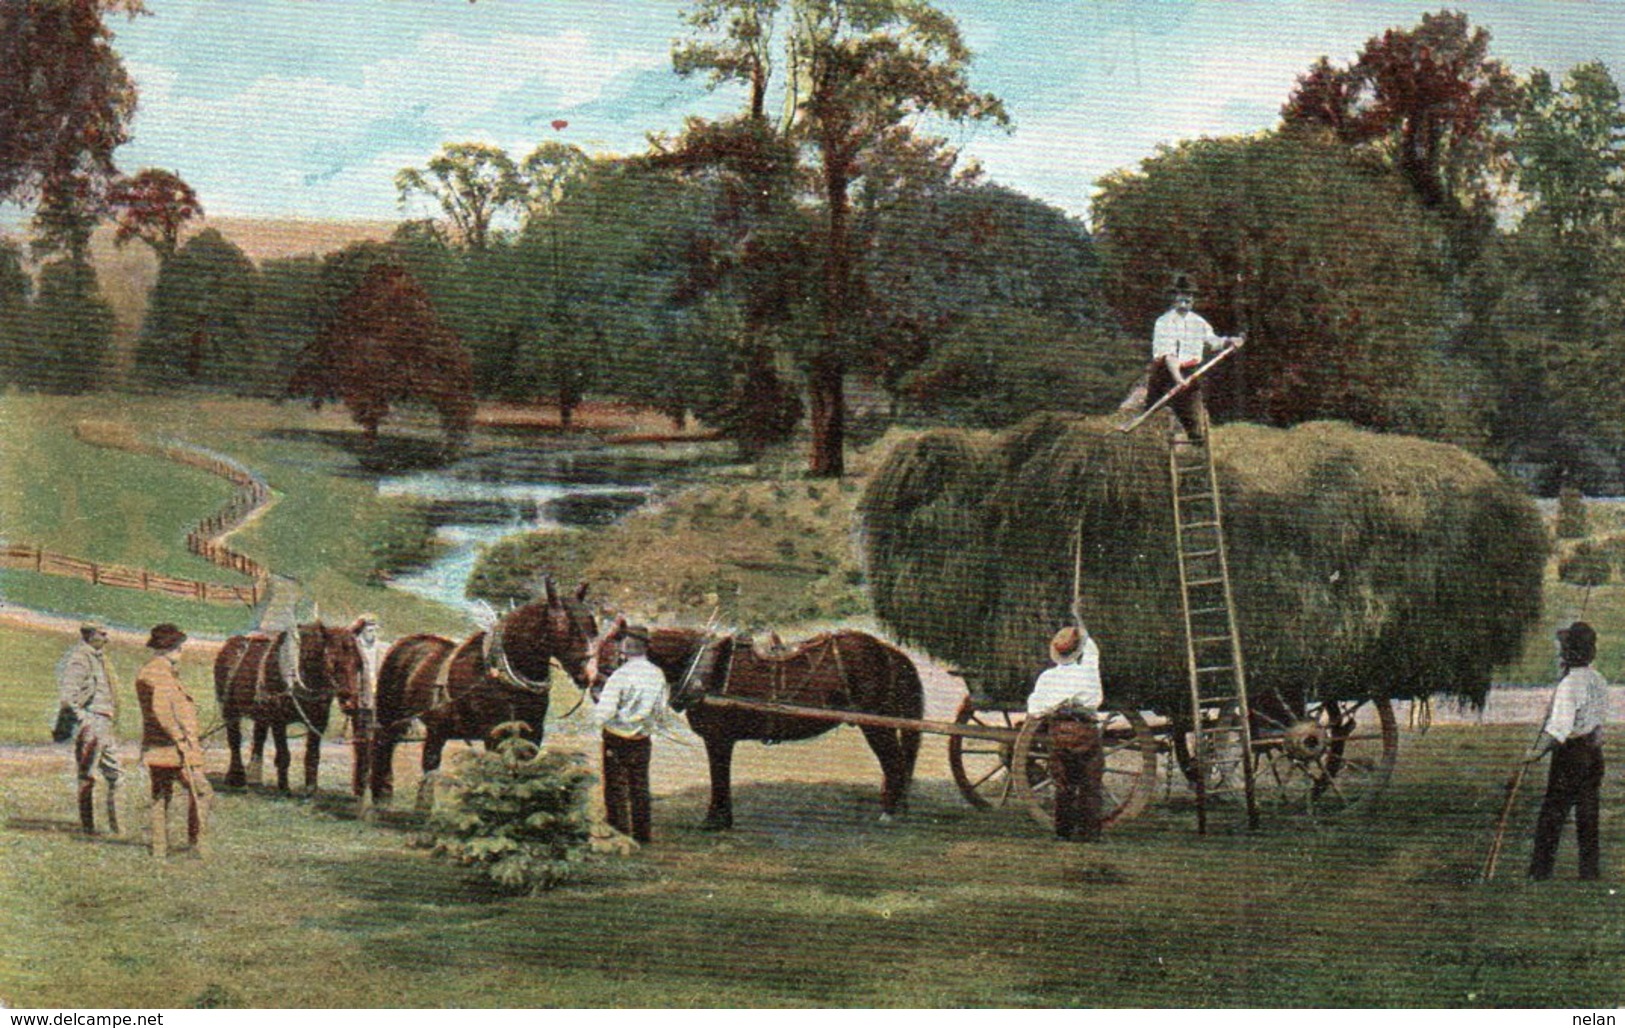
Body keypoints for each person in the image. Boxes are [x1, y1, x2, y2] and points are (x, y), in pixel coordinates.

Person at [1525, 621, 1608, 881]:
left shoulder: (1569, 686)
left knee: (1553, 814)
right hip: (1593, 755)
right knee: (1588, 815)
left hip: (1570, 755)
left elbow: (1557, 730)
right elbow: (1598, 728)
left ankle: (1540, 873)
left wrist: (1534, 754)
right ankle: (1589, 873)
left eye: (1563, 648)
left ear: (1568, 653)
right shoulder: (1598, 679)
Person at [135, 623, 211, 859]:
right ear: (172, 647)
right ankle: (196, 844)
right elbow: (162, 711)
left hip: (156, 747)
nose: (182, 651)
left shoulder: (152, 670)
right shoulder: (160, 673)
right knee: (203, 792)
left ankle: (159, 850)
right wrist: (180, 738)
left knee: (160, 797)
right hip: (172, 749)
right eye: (180, 647)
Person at [1027, 624, 1105, 842]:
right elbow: (1092, 651)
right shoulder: (1088, 673)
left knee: (1063, 785)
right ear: (1078, 651)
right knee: (1091, 784)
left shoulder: (1047, 678)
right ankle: (1089, 834)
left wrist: (1052, 707)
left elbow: (1035, 710)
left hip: (1060, 732)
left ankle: (1063, 833)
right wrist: (1080, 625)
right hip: (1085, 731)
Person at [592, 624, 669, 844]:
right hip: (642, 739)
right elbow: (660, 711)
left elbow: (604, 713)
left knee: (615, 787)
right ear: (646, 647)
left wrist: (597, 709)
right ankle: (642, 835)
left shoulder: (620, 675)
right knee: (640, 786)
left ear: (625, 647)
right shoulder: (657, 674)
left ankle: (618, 832)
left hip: (616, 736)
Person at [1148, 275, 1242, 445]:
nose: (1185, 299)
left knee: (1194, 424)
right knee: (1153, 419)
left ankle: (1195, 443)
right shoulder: (1163, 322)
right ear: (1174, 297)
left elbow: (1213, 341)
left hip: (1190, 374)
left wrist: (1229, 341)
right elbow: (1169, 354)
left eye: (1189, 295)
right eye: (1181, 295)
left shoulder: (1198, 322)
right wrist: (1177, 378)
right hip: (1165, 375)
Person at [56, 622, 121, 835]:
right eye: (102, 634)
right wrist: (84, 720)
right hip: (93, 723)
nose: (107, 638)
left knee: (116, 775)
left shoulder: (100, 659)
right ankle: (88, 827)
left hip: (105, 723)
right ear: (90, 635)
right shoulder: (80, 660)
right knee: (87, 776)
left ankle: (117, 827)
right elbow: (68, 697)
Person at [350, 614, 383, 797]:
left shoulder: (381, 647)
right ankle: (359, 786)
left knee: (378, 744)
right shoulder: (355, 648)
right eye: (368, 627)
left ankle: (379, 785)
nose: (372, 631)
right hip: (362, 703)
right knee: (362, 745)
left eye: (374, 627)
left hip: (378, 703)